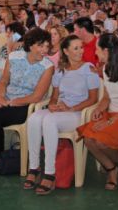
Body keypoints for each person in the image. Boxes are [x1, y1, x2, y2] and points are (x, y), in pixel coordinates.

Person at [0, 28, 54, 176]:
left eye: (47, 46)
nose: (44, 50)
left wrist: (9, 103)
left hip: (26, 106)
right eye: (41, 46)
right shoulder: (14, 57)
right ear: (31, 45)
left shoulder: (47, 66)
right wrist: (1, 97)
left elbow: (37, 96)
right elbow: (3, 81)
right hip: (6, 100)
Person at [25, 35, 99, 194]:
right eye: (76, 48)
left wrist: (72, 108)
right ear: (65, 51)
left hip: (78, 113)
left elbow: (93, 99)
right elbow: (55, 96)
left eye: (81, 47)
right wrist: (53, 105)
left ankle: (50, 173)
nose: (81, 51)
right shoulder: (60, 70)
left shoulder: (89, 68)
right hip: (62, 111)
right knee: (33, 119)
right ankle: (34, 167)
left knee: (49, 122)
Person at [77, 33, 118, 191]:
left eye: (97, 50)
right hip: (113, 114)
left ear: (106, 51)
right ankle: (112, 168)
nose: (96, 53)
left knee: (100, 141)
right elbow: (107, 97)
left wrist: (110, 121)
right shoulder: (106, 68)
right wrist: (99, 109)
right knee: (88, 139)